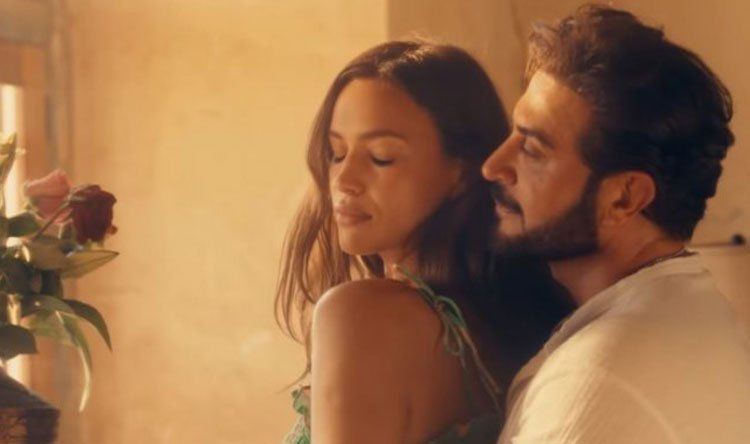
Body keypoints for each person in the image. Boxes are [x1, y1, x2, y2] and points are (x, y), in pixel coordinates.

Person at [275, 40, 573, 444]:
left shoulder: (362, 317)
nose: (344, 180)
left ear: (461, 173)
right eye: (336, 153)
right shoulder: (497, 327)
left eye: (381, 157)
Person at [481, 5, 750, 443]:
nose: (493, 166)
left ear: (624, 198)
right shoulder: (690, 315)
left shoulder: (599, 376)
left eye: (532, 149)